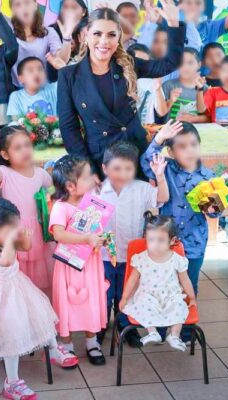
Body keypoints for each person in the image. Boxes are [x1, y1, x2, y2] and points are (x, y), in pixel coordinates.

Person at [0, 198, 77, 400]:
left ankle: (54, 349)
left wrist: (24, 236)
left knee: (41, 313)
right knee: (11, 335)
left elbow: (26, 247)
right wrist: (12, 239)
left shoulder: (4, 241)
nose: (15, 231)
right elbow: (6, 260)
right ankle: (11, 382)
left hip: (17, 291)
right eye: (10, 228)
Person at [57, 6, 186, 172]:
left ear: (119, 37)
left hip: (135, 155)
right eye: (97, 34)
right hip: (99, 161)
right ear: (86, 35)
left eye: (111, 35)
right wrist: (88, 170)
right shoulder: (68, 76)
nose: (104, 41)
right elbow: (69, 129)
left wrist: (174, 25)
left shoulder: (129, 64)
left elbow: (170, 64)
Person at [98, 141, 168, 347]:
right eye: (116, 168)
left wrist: (160, 176)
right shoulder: (97, 190)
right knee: (104, 295)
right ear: (104, 168)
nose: (122, 173)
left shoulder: (142, 188)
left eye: (128, 168)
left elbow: (162, 197)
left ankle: (125, 327)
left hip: (131, 257)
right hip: (103, 256)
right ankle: (100, 327)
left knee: (128, 294)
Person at [141, 121, 219, 299]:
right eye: (182, 146)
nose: (189, 150)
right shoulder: (165, 169)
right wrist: (160, 138)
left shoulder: (209, 177)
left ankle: (186, 324)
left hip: (195, 243)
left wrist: (215, 207)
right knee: (163, 284)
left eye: (193, 144)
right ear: (171, 152)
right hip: (166, 243)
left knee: (189, 285)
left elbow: (214, 213)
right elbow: (147, 161)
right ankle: (163, 325)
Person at [49, 155, 108, 365]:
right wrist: (86, 238)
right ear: (71, 186)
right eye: (86, 177)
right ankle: (66, 345)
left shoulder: (92, 203)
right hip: (69, 266)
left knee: (91, 299)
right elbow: (59, 235)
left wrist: (101, 240)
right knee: (67, 304)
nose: (93, 179)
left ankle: (92, 343)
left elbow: (98, 229)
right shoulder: (61, 207)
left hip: (90, 264)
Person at [0, 123, 53, 291]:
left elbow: (55, 192)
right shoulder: (4, 173)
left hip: (37, 232)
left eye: (27, 145)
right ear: (5, 154)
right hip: (14, 232)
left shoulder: (41, 174)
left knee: (40, 276)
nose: (25, 151)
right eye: (18, 148)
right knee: (19, 277)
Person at [120, 213, 195, 349]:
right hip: (147, 295)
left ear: (172, 240)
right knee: (143, 305)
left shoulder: (176, 259)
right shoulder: (141, 259)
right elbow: (132, 280)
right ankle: (152, 332)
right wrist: (125, 298)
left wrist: (192, 297)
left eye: (160, 240)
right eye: (151, 240)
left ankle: (174, 335)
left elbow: (185, 280)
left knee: (179, 306)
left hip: (171, 295)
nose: (155, 244)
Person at [196, 54, 228, 137]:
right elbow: (201, 110)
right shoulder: (213, 92)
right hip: (218, 141)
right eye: (225, 71)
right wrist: (199, 89)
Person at [155, 47, 207, 122]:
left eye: (190, 62)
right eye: (181, 63)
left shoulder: (204, 88)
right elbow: (159, 113)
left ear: (199, 65)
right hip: (171, 131)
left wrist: (193, 119)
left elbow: (209, 116)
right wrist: (171, 101)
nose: (185, 67)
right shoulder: (168, 85)